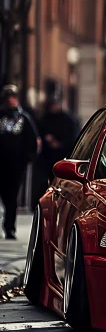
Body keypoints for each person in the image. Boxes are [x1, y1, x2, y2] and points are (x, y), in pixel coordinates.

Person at [0, 84, 40, 239]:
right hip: (1, 163)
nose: (10, 100)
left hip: (17, 165)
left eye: (12, 97)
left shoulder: (24, 118)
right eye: (7, 97)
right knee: (4, 194)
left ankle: (10, 227)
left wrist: (28, 158)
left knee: (12, 196)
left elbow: (34, 141)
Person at [32, 92, 79, 206]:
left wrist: (59, 144)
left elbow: (72, 138)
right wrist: (47, 139)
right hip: (46, 158)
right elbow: (38, 134)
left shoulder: (68, 120)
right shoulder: (44, 119)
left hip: (62, 156)